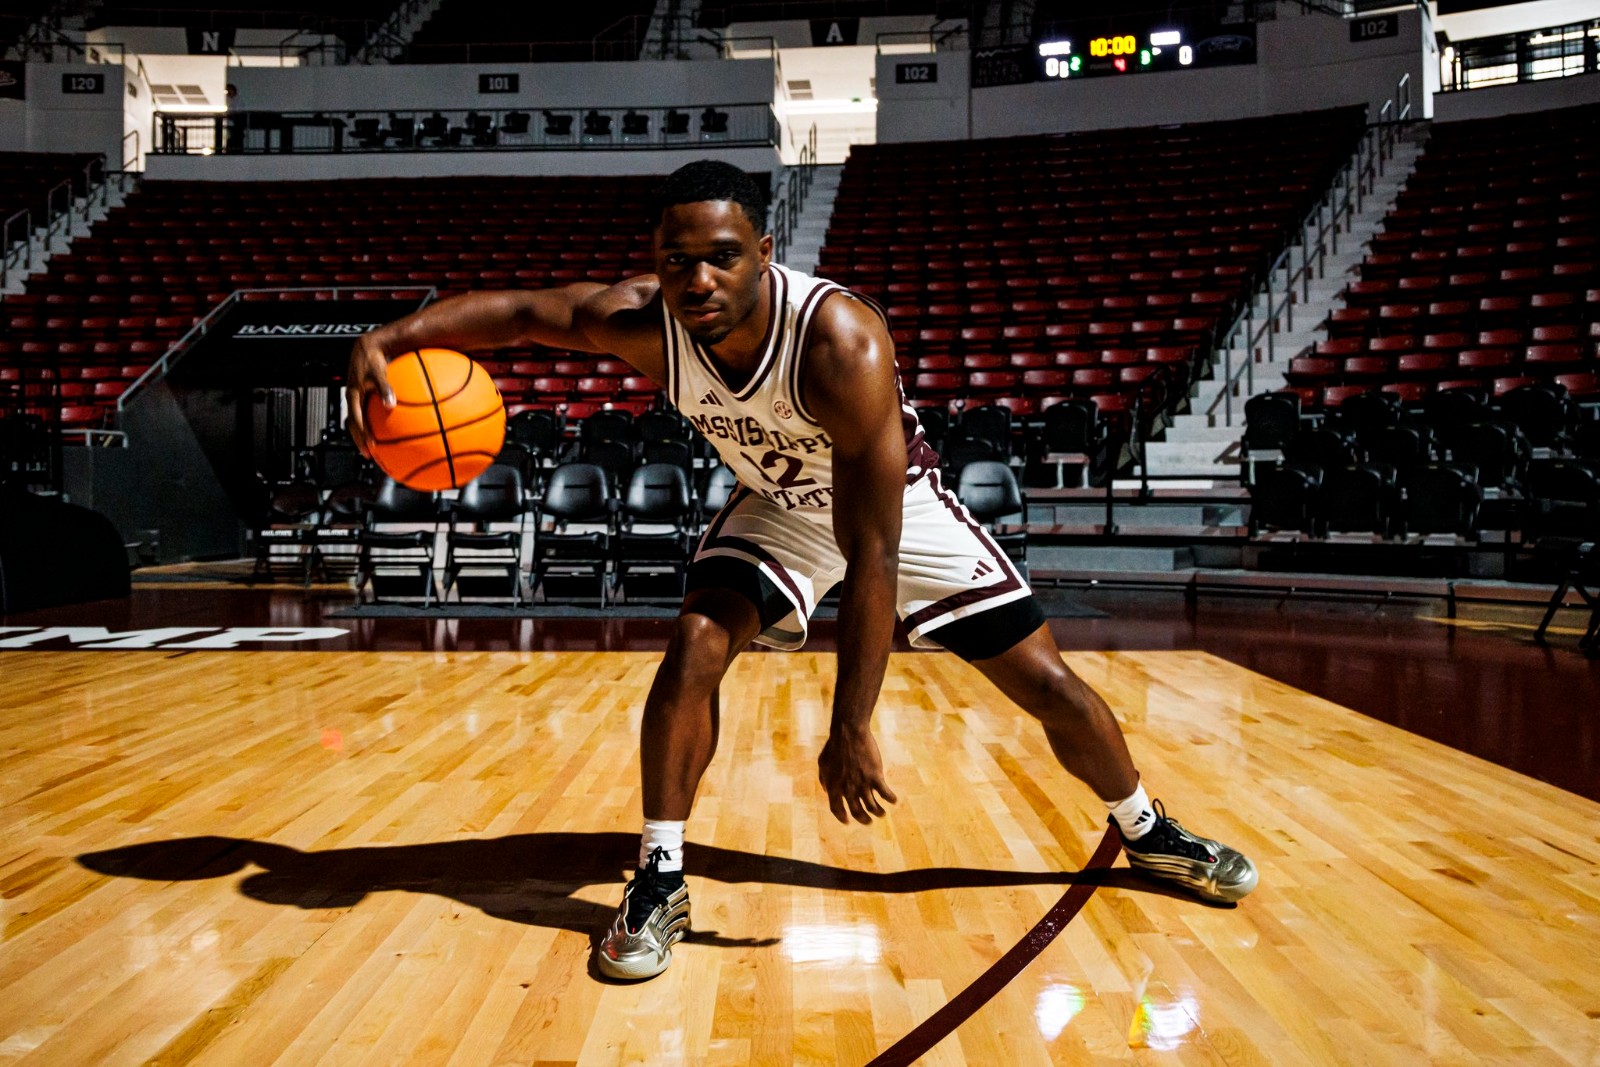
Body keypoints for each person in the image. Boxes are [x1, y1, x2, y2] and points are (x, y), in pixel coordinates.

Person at [346, 160, 1257, 981]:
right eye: (677, 261)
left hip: (894, 511)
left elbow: (874, 553)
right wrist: (393, 335)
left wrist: (850, 723)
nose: (698, 280)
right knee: (695, 644)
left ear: (764, 253)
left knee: (1048, 684)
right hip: (780, 503)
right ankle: (659, 876)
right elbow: (518, 314)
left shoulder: (839, 344)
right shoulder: (644, 324)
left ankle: (1146, 828)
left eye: (722, 257)